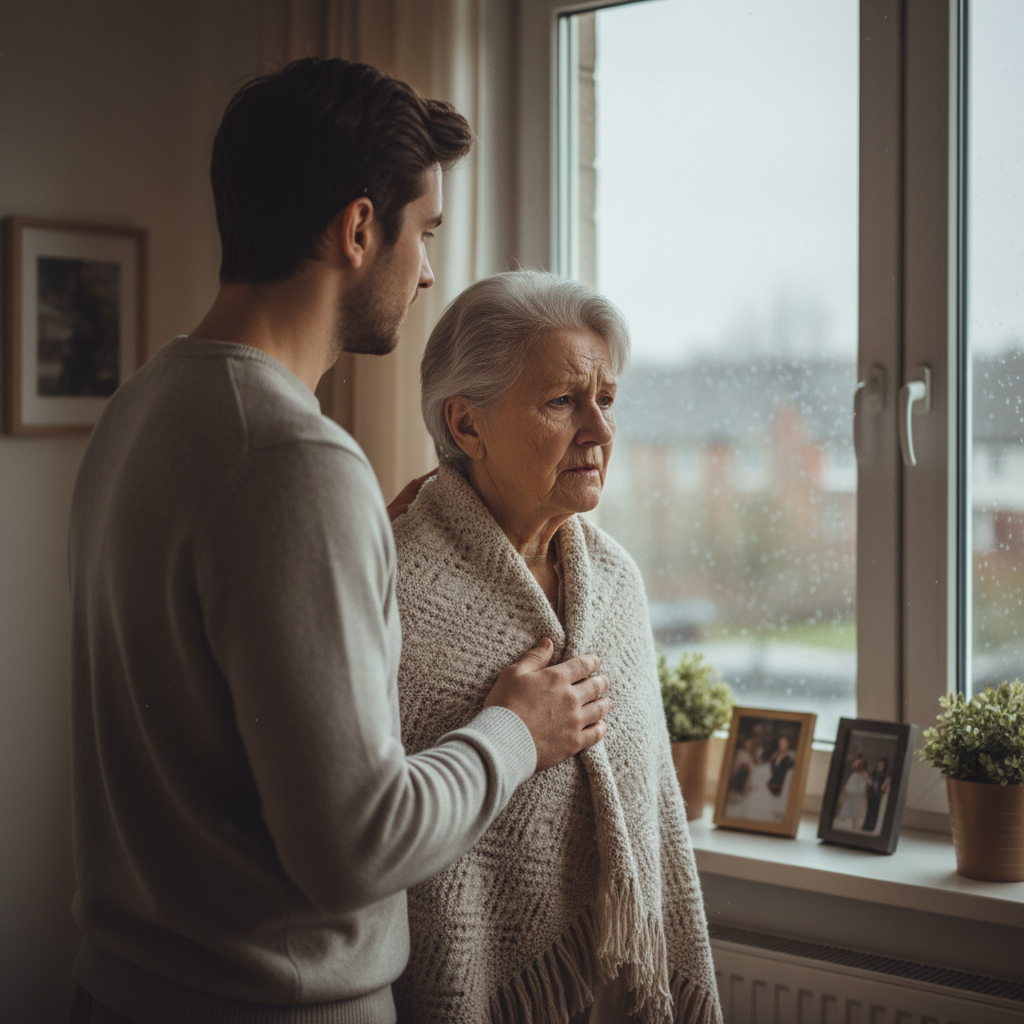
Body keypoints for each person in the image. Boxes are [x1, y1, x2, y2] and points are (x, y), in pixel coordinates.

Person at [68, 60, 611, 1024]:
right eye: (425, 233)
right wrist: (515, 734)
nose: (431, 270)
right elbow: (356, 847)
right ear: (359, 229)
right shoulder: (299, 463)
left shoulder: (138, 410)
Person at [391, 271, 722, 1023]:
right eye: (563, 400)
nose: (601, 432)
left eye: (605, 399)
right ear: (467, 426)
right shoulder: (392, 589)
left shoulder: (616, 579)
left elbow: (651, 813)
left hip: (607, 991)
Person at [834, 754, 870, 831]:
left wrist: (864, 788)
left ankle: (854, 824)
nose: (862, 770)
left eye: (864, 768)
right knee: (847, 812)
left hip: (859, 798)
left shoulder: (864, 776)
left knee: (856, 813)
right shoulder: (854, 775)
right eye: (861, 768)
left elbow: (867, 785)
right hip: (852, 797)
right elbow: (849, 787)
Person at [861, 756, 891, 833]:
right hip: (872, 794)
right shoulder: (875, 773)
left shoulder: (884, 775)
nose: (879, 766)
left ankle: (871, 827)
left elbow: (882, 786)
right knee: (869, 811)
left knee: (875, 812)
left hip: (878, 795)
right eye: (879, 764)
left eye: (881, 765)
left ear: (884, 766)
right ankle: (866, 826)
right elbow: (871, 783)